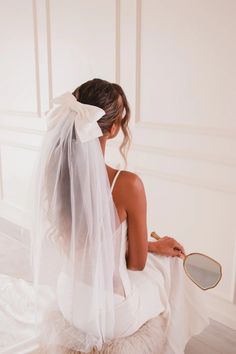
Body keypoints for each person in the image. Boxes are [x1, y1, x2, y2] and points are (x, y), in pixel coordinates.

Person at [30, 78, 210, 354]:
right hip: (111, 314)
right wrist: (153, 250)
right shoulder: (127, 184)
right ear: (113, 129)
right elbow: (136, 264)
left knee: (159, 259)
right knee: (166, 270)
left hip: (69, 297)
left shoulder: (54, 175)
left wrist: (152, 245)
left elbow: (85, 245)